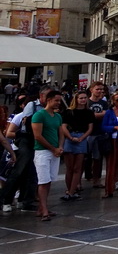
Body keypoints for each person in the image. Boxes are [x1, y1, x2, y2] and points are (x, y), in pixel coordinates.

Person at [31, 89, 64, 221]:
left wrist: (60, 147)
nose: (58, 103)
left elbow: (60, 133)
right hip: (42, 151)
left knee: (49, 180)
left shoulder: (58, 116)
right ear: (48, 100)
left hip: (55, 151)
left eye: (59, 101)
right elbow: (37, 136)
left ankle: (43, 207)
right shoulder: (39, 115)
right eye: (56, 100)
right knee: (43, 181)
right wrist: (52, 148)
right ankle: (43, 209)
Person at [60, 90, 94, 201]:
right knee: (69, 167)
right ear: (76, 99)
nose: (83, 100)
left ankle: (72, 191)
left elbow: (90, 128)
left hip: (82, 137)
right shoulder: (69, 112)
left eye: (85, 98)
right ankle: (69, 189)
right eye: (81, 98)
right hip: (70, 137)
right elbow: (63, 126)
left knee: (77, 168)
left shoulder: (89, 112)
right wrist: (70, 137)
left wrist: (82, 138)